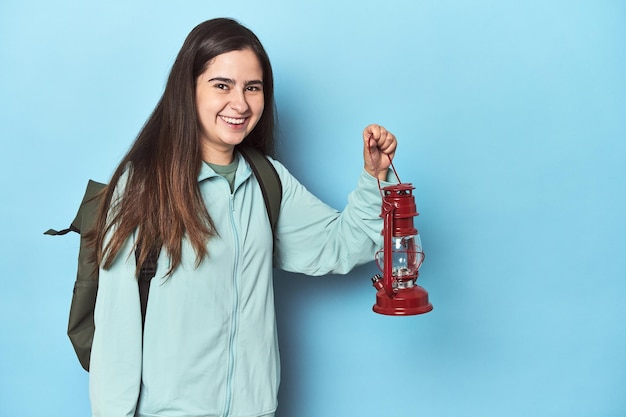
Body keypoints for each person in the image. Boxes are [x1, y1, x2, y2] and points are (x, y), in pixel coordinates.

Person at [88, 17, 398, 417]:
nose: (241, 104)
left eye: (253, 87)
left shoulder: (268, 180)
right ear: (188, 90)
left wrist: (375, 178)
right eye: (222, 85)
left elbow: (342, 245)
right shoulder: (144, 186)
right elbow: (116, 334)